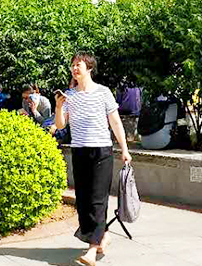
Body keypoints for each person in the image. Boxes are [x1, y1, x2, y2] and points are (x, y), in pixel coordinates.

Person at [55, 52, 132, 266]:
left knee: (98, 198)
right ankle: (103, 234)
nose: (74, 68)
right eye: (72, 65)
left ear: (89, 68)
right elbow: (60, 125)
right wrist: (59, 107)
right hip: (79, 151)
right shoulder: (69, 96)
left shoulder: (103, 92)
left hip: (101, 151)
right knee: (83, 200)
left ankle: (91, 249)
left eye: (78, 64)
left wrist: (124, 149)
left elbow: (115, 122)